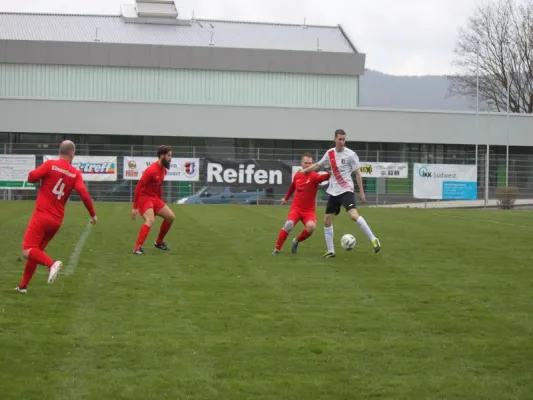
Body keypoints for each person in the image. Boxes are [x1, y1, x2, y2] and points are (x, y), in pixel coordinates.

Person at [15, 140, 98, 293]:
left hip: (41, 216)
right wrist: (93, 214)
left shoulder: (50, 165)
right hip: (56, 221)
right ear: (72, 155)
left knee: (27, 250)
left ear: (59, 151)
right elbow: (84, 195)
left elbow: (31, 177)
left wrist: (37, 174)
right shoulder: (75, 174)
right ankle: (23, 286)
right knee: (36, 251)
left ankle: (51, 264)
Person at [302, 129, 381, 258]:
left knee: (353, 215)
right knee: (327, 220)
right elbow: (318, 165)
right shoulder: (330, 153)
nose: (342, 142)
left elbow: (357, 174)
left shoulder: (350, 155)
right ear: (335, 139)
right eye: (340, 139)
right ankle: (331, 251)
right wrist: (305, 171)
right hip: (333, 191)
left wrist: (361, 192)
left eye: (344, 139)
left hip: (346, 190)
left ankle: (373, 239)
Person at [273, 152, 330, 255]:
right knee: (289, 224)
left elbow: (326, 177)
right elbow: (292, 187)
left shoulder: (315, 176)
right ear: (301, 163)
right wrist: (286, 198)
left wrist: (330, 170)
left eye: (310, 163)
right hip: (296, 209)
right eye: (306, 163)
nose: (308, 165)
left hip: (308, 211)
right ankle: (277, 250)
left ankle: (296, 241)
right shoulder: (298, 175)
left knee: (311, 227)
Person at [131, 145, 176, 254]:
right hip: (144, 198)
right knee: (150, 220)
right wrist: (135, 207)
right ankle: (137, 248)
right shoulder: (151, 170)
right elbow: (138, 187)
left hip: (154, 198)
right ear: (162, 156)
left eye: (171, 155)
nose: (171, 158)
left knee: (171, 217)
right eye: (169, 155)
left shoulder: (163, 170)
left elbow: (158, 186)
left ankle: (159, 242)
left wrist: (160, 202)